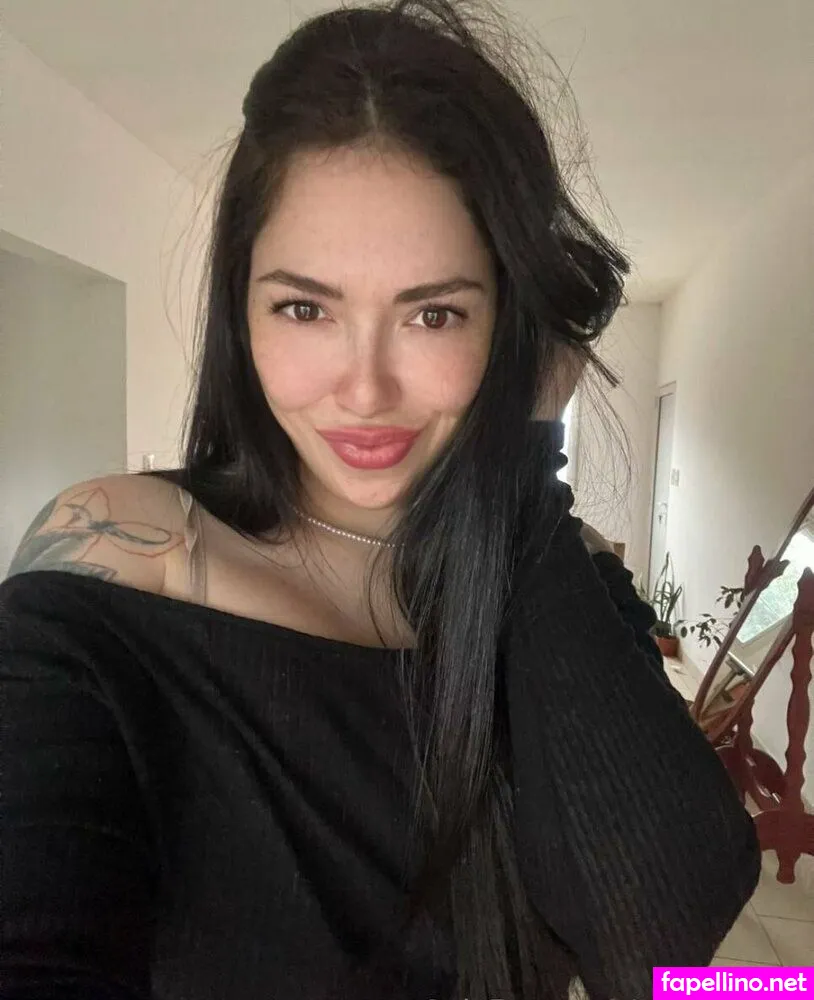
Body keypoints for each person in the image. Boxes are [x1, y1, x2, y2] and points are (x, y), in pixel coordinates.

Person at [0, 1, 760, 998]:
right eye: (304, 307)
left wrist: (521, 459)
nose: (363, 390)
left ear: (508, 323)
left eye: (434, 314)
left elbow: (659, 956)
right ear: (241, 312)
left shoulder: (562, 574)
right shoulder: (116, 560)